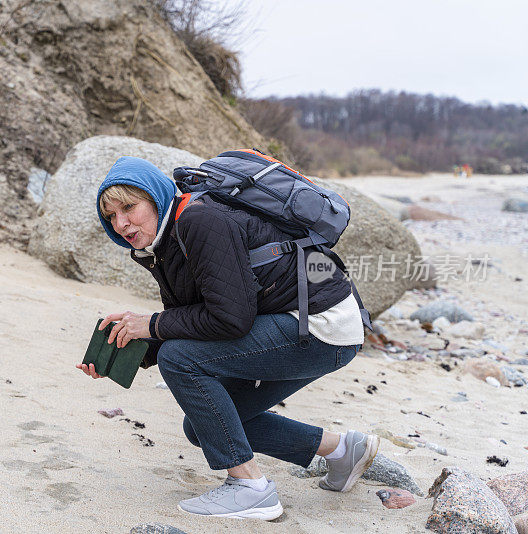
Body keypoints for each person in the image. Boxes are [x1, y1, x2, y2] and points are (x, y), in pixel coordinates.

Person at [76, 156, 379, 520]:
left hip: (321, 325)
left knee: (178, 359)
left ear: (155, 198)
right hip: (306, 321)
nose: (121, 223)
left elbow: (229, 319)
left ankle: (250, 488)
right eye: (111, 215)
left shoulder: (199, 221)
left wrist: (151, 325)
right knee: (207, 425)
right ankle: (344, 451)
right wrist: (127, 350)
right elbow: (195, 316)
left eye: (129, 207)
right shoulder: (166, 240)